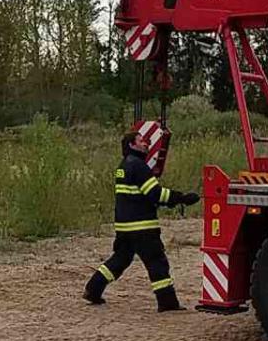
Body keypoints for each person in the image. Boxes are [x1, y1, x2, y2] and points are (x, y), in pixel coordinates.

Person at [83, 131, 200, 312]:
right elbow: (155, 193)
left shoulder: (124, 165)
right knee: (157, 263)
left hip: (124, 226)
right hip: (142, 226)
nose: (146, 144)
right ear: (131, 145)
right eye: (142, 141)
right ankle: (168, 303)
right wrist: (181, 198)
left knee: (120, 259)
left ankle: (93, 289)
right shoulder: (138, 166)